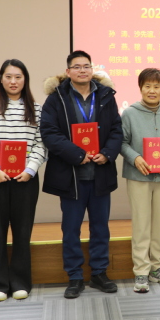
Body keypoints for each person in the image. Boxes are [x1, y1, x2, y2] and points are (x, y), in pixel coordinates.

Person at [40, 50, 123, 298]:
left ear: (92, 70)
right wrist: (77, 154)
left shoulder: (105, 95)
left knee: (100, 228)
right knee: (71, 230)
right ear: (68, 72)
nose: (82, 70)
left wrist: (107, 153)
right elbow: (49, 132)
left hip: (100, 173)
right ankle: (75, 277)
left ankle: (99, 273)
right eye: (76, 67)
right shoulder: (56, 98)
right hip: (71, 176)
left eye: (86, 66)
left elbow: (116, 129)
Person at [0, 59, 46, 301]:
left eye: (18, 77)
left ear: (25, 80)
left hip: (26, 179)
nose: (13, 81)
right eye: (8, 77)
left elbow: (41, 144)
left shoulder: (37, 110)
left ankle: (20, 282)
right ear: (1, 79)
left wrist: (30, 169)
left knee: (22, 232)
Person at [120, 68, 160, 293]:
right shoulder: (129, 113)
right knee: (141, 223)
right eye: (147, 86)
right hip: (139, 176)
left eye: (156, 86)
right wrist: (135, 158)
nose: (152, 90)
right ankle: (141, 270)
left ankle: (158, 267)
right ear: (140, 88)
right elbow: (122, 142)